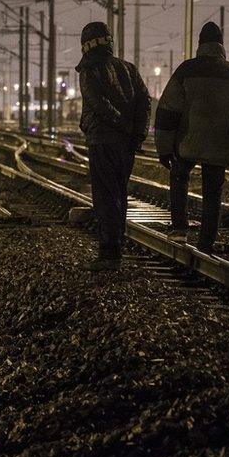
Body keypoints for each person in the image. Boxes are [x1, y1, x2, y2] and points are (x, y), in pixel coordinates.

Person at [154, 22, 229, 255]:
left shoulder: (185, 70)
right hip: (220, 145)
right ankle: (206, 242)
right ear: (221, 45)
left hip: (186, 142)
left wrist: (164, 148)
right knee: (213, 192)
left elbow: (168, 110)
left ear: (200, 44)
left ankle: (180, 228)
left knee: (179, 179)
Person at [76, 21, 151, 271]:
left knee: (106, 197)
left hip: (102, 140)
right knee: (120, 194)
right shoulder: (128, 69)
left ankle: (109, 254)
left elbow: (98, 105)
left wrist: (120, 125)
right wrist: (136, 134)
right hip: (126, 144)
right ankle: (116, 247)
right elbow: (145, 102)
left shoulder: (89, 70)